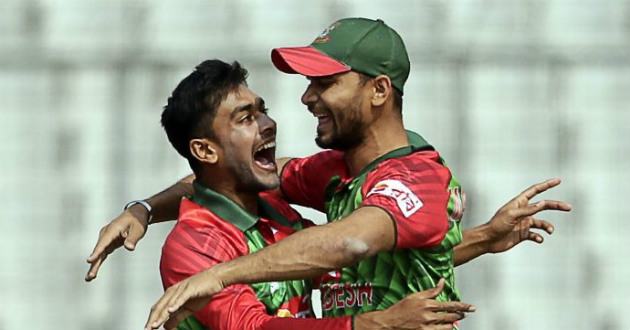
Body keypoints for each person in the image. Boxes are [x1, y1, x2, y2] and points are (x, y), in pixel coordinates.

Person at [85, 17, 570, 329]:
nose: (305, 97)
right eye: (246, 116)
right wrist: (143, 209)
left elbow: (350, 245)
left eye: (326, 82)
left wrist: (219, 276)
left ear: (379, 90)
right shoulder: (328, 173)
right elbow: (217, 181)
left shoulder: (415, 180)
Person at [153, 58, 475, 330]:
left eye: (263, 111)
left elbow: (348, 268)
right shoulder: (194, 244)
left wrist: (485, 240)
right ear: (205, 151)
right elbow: (254, 327)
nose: (268, 124)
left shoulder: (279, 214)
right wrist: (378, 323)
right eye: (246, 118)